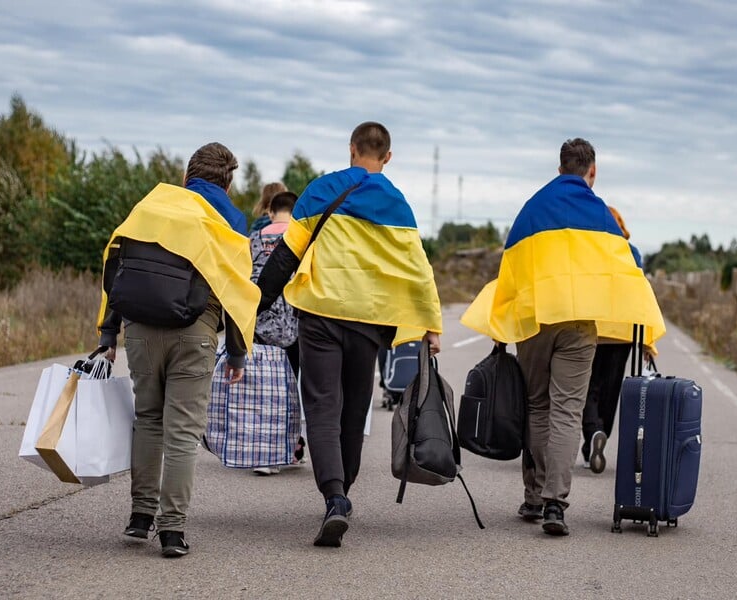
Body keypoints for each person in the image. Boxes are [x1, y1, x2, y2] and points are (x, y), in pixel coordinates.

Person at [461, 138, 665, 536]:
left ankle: (534, 498)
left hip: (537, 321)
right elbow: (627, 268)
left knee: (537, 405)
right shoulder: (601, 216)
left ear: (559, 168)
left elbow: (511, 270)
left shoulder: (533, 208)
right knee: (568, 410)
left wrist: (501, 322)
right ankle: (556, 504)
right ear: (593, 171)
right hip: (579, 325)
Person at [256, 121, 442, 547]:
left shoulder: (322, 190)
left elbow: (287, 255)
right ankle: (343, 493)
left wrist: (254, 308)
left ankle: (334, 497)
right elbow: (418, 269)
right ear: (387, 157)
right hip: (368, 321)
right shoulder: (398, 205)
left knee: (322, 405)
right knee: (353, 410)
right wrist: (431, 326)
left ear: (352, 149)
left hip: (320, 314)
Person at [97, 142, 260, 557]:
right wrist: (238, 352)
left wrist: (107, 333)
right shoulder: (229, 218)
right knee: (183, 432)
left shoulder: (151, 205)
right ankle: (171, 531)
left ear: (187, 176)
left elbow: (114, 263)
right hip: (195, 329)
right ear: (227, 181)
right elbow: (238, 289)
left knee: (148, 419)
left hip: (139, 330)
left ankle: (139, 517)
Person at [581, 206, 641, 473]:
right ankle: (599, 434)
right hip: (623, 332)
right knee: (611, 390)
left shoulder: (589, 251)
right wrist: (648, 341)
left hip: (592, 328)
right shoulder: (633, 254)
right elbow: (642, 297)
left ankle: (593, 433)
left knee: (586, 388)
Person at [248, 190, 303, 476]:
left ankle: (261, 452)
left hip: (259, 322)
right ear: (295, 213)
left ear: (271, 212)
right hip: (294, 326)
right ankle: (289, 448)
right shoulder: (301, 239)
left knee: (261, 389)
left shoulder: (254, 239)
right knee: (289, 389)